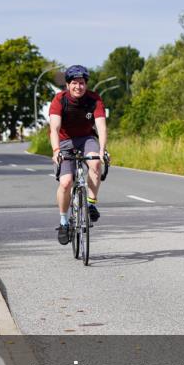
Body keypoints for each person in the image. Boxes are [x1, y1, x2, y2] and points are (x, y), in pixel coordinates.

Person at [50, 65, 107, 245]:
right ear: (67, 85)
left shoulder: (94, 99)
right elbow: (54, 128)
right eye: (74, 83)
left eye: (81, 83)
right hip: (64, 142)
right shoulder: (59, 100)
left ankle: (90, 204)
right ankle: (63, 221)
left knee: (96, 163)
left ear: (86, 84)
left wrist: (102, 150)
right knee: (66, 182)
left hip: (86, 138)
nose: (78, 87)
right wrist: (56, 151)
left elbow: (101, 126)